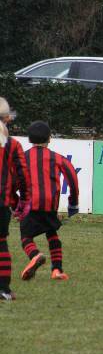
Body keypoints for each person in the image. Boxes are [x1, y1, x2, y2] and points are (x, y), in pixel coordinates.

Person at [19, 121, 79, 281]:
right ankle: (57, 270)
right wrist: (73, 202)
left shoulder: (23, 158)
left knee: (26, 236)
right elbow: (72, 177)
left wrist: (14, 202)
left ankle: (35, 255)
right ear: (49, 138)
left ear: (29, 139)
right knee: (52, 233)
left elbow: (12, 179)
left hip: (31, 204)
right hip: (50, 204)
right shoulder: (57, 158)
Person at [0, 103, 30, 300]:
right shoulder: (12, 145)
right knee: (1, 243)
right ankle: (3, 289)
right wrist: (23, 201)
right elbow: (22, 176)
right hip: (1, 202)